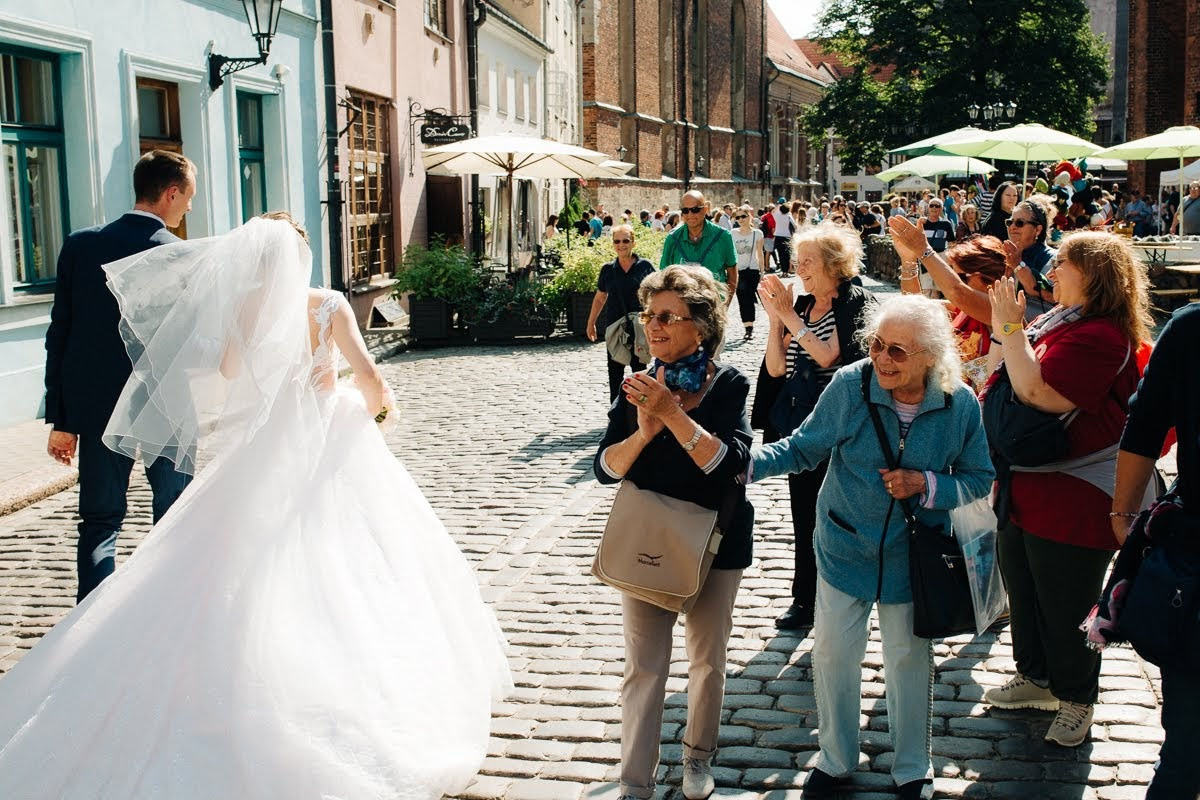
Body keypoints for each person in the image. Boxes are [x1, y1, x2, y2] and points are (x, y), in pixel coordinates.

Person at [0, 215, 513, 797]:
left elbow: (228, 373)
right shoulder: (328, 305)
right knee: (348, 560)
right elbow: (371, 379)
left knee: (240, 561)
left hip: (263, 447)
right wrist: (375, 412)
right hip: (324, 439)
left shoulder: (243, 311)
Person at [749, 294, 994, 800]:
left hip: (912, 558)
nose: (882, 358)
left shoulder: (959, 404)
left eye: (897, 352)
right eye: (877, 345)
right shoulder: (851, 385)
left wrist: (925, 484)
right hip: (843, 544)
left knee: (908, 659)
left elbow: (979, 479)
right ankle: (836, 759)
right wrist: (744, 465)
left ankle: (911, 767)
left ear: (930, 356)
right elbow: (801, 448)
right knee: (835, 656)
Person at [981, 232, 1153, 748]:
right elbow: (1003, 371)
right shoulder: (1060, 323)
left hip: (1075, 495)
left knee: (1066, 604)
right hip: (1027, 487)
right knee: (1025, 592)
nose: (1052, 272)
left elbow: (1039, 393)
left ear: (1096, 277)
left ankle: (1077, 698)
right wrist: (1009, 331)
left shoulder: (1100, 337)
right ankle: (1036, 678)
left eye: (1063, 266)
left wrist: (1009, 327)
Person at [594, 266, 754, 800]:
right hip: (650, 534)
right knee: (644, 666)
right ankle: (634, 781)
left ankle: (697, 758)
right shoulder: (636, 383)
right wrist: (642, 432)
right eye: (649, 314)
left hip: (716, 539)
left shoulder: (729, 383)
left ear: (701, 327)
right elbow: (606, 468)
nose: (653, 326)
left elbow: (727, 462)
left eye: (666, 316)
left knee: (707, 661)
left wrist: (673, 415)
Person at [43, 149, 197, 603]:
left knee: (99, 522)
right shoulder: (179, 254)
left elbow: (61, 334)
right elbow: (193, 339)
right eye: (188, 197)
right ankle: (166, 611)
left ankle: (90, 623)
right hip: (166, 407)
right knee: (173, 518)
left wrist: (62, 419)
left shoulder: (80, 245)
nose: (189, 206)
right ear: (171, 193)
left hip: (97, 410)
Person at [754, 222, 875, 632]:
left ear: (834, 264)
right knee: (804, 516)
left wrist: (788, 315)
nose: (799, 268)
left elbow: (827, 356)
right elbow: (775, 368)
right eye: (797, 261)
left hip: (841, 429)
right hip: (802, 427)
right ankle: (804, 599)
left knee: (839, 518)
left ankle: (841, 597)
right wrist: (776, 321)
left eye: (808, 261)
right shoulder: (801, 308)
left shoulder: (854, 303)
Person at [1110, 302, 1200, 799]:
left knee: (1186, 746)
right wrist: (1123, 515)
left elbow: (1144, 424)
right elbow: (1144, 424)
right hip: (1193, 561)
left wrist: (1124, 516)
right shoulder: (1190, 328)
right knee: (1186, 744)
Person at [891, 216, 1006, 391]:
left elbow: (957, 291)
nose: (952, 281)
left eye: (961, 277)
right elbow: (913, 308)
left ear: (990, 278)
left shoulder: (1002, 309)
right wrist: (909, 261)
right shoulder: (961, 310)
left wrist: (923, 249)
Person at [587, 224, 657, 401]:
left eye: (626, 240)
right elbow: (600, 298)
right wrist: (591, 323)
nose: (621, 245)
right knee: (615, 373)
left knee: (640, 372)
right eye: (617, 241)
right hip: (615, 325)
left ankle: (642, 412)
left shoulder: (645, 266)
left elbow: (656, 295)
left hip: (640, 325)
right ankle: (616, 416)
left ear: (633, 243)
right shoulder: (608, 270)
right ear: (613, 244)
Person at [660, 190, 738, 307]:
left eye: (695, 210)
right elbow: (663, 276)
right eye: (685, 211)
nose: (690, 215)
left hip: (713, 306)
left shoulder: (723, 237)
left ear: (705, 209)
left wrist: (724, 306)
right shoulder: (672, 239)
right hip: (682, 309)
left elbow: (732, 274)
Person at [1003, 198, 1057, 319]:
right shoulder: (1004, 253)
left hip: (1038, 330)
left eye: (1019, 223)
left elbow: (1051, 295)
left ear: (1037, 230)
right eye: (1009, 222)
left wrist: (1017, 265)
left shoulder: (1053, 258)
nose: (1012, 227)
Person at [730, 204, 766, 340]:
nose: (740, 219)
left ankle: (750, 328)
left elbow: (760, 253)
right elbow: (730, 253)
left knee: (750, 298)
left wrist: (762, 272)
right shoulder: (732, 233)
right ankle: (746, 326)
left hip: (752, 270)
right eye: (737, 217)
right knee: (741, 299)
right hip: (738, 271)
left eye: (743, 216)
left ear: (749, 216)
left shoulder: (758, 233)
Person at [771, 198, 798, 275]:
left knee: (780, 254)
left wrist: (779, 205)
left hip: (778, 236)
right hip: (787, 236)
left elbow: (773, 211)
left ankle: (783, 271)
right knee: (787, 254)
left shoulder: (777, 216)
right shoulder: (789, 216)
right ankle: (786, 271)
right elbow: (795, 226)